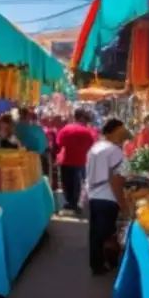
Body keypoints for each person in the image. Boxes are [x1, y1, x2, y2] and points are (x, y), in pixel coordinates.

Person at [85, 118, 130, 276]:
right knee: (107, 234)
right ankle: (105, 263)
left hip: (94, 196)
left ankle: (96, 264)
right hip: (108, 197)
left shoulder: (95, 148)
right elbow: (117, 180)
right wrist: (124, 206)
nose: (124, 134)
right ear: (114, 131)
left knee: (96, 234)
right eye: (122, 130)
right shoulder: (115, 151)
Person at [56, 108, 95, 213]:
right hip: (80, 161)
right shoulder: (87, 131)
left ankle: (70, 202)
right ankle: (74, 203)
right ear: (82, 118)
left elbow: (59, 143)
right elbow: (91, 145)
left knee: (66, 182)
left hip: (66, 160)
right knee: (77, 184)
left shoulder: (66, 129)